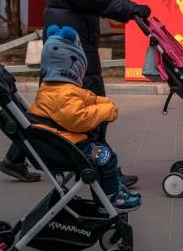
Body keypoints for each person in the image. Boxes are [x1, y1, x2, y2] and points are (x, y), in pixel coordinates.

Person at [0, 0, 150, 186]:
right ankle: (103, 164)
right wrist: (126, 11)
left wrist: (131, 8)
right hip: (72, 39)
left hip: (67, 32)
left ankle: (15, 157)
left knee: (50, 101)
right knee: (91, 96)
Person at [26, 25, 141, 211]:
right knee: (105, 157)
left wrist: (101, 101)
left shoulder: (51, 88)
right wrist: (106, 110)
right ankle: (111, 198)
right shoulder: (64, 94)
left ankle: (110, 191)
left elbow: (85, 97)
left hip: (60, 141)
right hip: (67, 147)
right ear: (74, 65)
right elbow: (78, 119)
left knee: (104, 152)